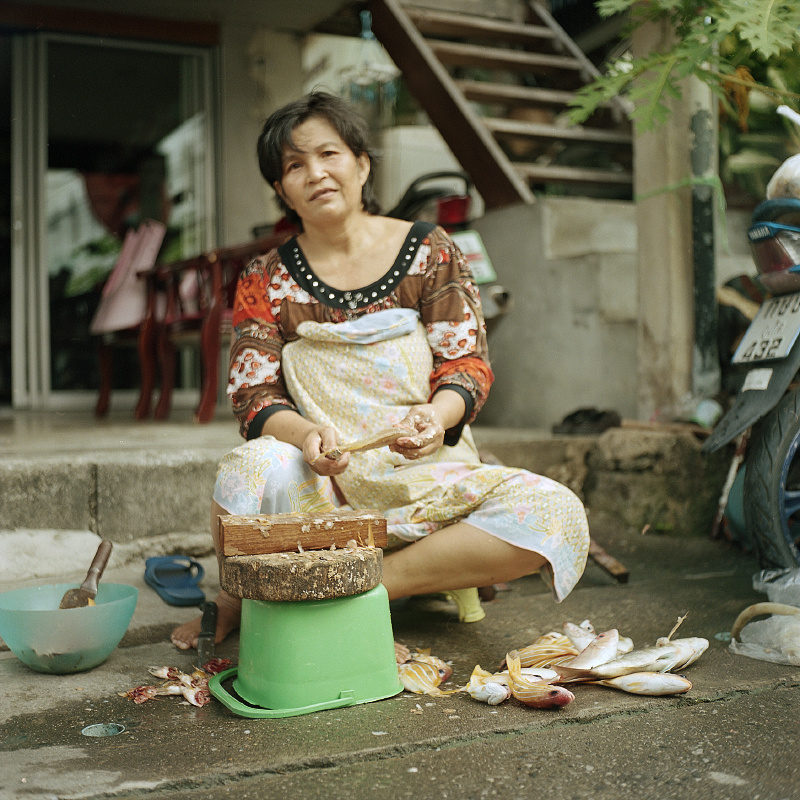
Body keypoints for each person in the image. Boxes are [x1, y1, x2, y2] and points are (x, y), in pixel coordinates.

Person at [171, 91, 590, 657]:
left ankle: (358, 589)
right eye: (295, 166)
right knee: (249, 466)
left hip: (423, 475)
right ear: (280, 188)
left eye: (329, 154)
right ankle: (240, 594)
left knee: (557, 513)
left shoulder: (428, 251)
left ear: (362, 163)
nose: (315, 173)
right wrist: (305, 436)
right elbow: (253, 393)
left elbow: (466, 365)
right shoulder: (264, 278)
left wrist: (435, 419)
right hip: (323, 487)